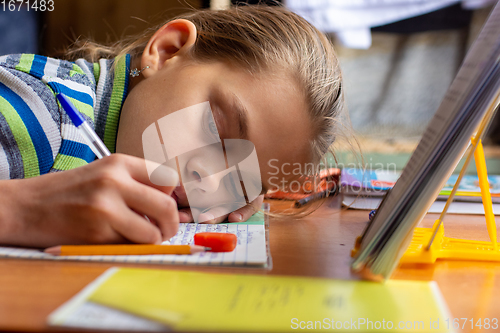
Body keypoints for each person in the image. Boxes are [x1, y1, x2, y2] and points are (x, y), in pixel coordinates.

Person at [0, 5, 344, 248]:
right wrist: (21, 211)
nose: (207, 180)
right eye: (216, 129)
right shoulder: (41, 115)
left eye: (241, 182)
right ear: (167, 51)